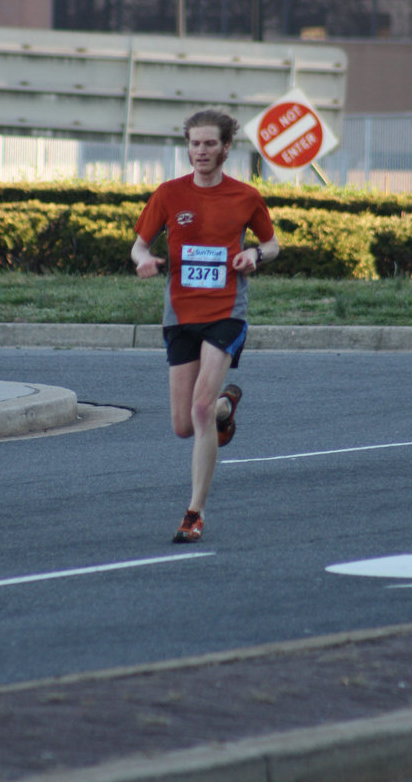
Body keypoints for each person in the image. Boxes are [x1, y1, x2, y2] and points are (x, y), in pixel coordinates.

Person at [131, 108, 279, 543]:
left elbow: (271, 244)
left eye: (210, 143)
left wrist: (254, 255)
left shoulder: (246, 197)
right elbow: (138, 247)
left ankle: (193, 513)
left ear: (226, 147)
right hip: (180, 314)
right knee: (184, 423)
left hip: (226, 311)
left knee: (197, 409)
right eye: (194, 143)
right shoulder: (169, 194)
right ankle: (223, 409)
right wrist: (145, 262)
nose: (201, 151)